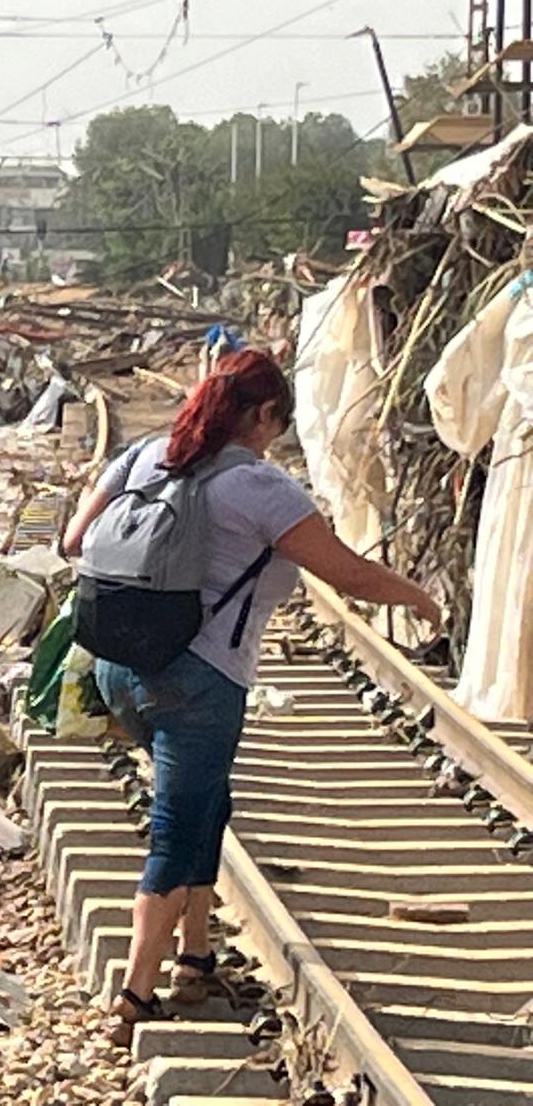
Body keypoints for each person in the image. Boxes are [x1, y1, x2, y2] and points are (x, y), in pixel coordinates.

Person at [60, 348, 441, 1045]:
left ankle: (194, 957)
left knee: (208, 802)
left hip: (120, 669)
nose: (277, 435)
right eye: (279, 422)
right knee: (177, 826)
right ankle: (134, 999)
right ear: (263, 414)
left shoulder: (147, 456)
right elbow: (346, 574)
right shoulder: (265, 491)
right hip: (200, 681)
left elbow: (73, 539)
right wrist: (416, 595)